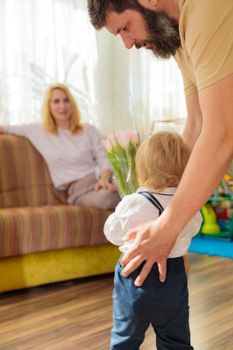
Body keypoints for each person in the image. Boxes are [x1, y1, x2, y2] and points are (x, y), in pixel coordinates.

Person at [87, 0, 233, 285]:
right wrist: (160, 198)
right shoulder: (178, 35)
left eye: (125, 28)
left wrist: (167, 227)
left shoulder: (204, 8)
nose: (128, 44)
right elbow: (197, 123)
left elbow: (221, 132)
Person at [104, 131, 203, 350]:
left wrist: (116, 214)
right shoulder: (187, 206)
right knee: (175, 339)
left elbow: (112, 233)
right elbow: (194, 229)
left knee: (125, 337)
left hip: (134, 277)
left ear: (142, 170)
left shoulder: (134, 203)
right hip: (173, 276)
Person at [0, 83, 120, 210]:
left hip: (102, 179)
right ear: (48, 106)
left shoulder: (88, 130)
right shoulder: (37, 130)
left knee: (129, 189)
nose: (62, 106)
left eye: (66, 100)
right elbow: (5, 128)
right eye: (56, 101)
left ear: (72, 104)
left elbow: (104, 158)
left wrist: (104, 180)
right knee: (108, 199)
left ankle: (121, 191)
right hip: (78, 190)